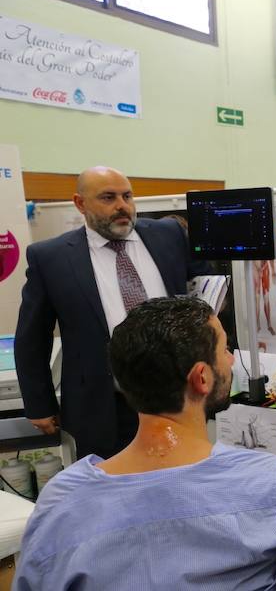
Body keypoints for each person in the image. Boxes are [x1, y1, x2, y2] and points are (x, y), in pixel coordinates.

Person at [12, 297, 276, 590]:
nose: (230, 360)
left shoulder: (60, 502)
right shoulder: (272, 484)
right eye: (226, 350)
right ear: (202, 377)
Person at [14, 166, 203, 459]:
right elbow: (32, 338)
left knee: (180, 482)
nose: (122, 206)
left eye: (127, 196)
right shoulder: (51, 258)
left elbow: (204, 290)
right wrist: (39, 403)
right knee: (109, 492)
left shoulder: (169, 235)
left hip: (176, 398)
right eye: (108, 197)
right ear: (80, 203)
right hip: (102, 405)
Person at [254, 259, 276, 335]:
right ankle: (257, 325)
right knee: (257, 298)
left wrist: (273, 270)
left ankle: (269, 324)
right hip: (255, 268)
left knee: (266, 297)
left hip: (265, 267)